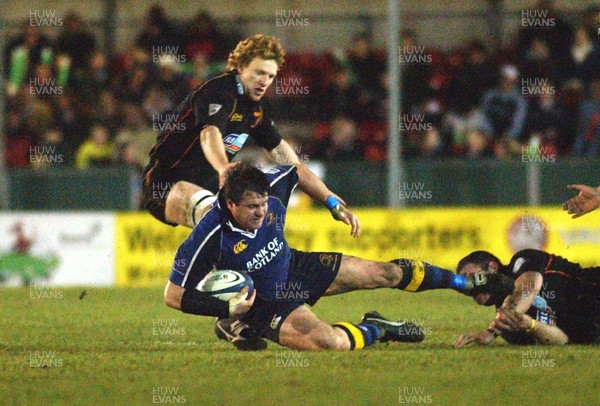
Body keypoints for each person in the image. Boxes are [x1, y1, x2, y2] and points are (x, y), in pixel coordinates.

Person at [163, 163, 505, 351]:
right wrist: (226, 309)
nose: (261, 211)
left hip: (294, 265)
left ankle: (462, 282)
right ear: (230, 203)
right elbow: (173, 296)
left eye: (264, 204)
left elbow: (298, 172)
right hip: (266, 303)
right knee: (329, 343)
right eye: (252, 207)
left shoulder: (270, 185)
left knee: (383, 272)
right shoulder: (208, 236)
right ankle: (378, 329)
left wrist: (331, 203)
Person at [142, 34, 349, 230]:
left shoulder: (254, 111)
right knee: (220, 221)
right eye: (259, 72)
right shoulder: (220, 90)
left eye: (270, 75)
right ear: (240, 67)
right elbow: (209, 133)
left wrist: (329, 199)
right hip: (165, 185)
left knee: (249, 230)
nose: (264, 81)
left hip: (205, 190)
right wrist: (223, 167)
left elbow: (293, 166)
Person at [453, 249, 600, 347]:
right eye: (465, 284)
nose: (470, 286)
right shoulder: (509, 331)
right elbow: (563, 341)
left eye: (472, 277)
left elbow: (528, 287)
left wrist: (490, 332)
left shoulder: (522, 260)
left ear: (492, 267)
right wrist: (531, 325)